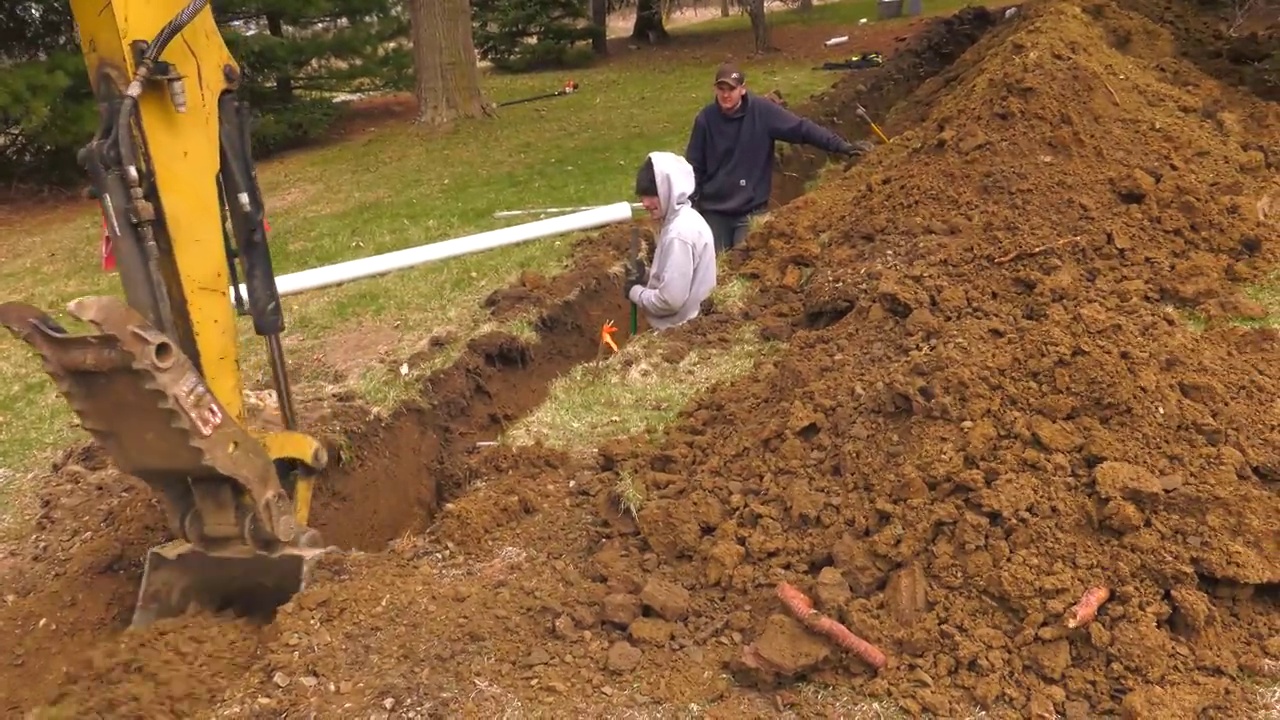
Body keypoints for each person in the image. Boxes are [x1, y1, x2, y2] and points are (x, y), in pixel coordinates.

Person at [685, 61, 874, 253]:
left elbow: (802, 129)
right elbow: (694, 166)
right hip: (715, 211)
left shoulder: (762, 112)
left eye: (731, 89)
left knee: (746, 261)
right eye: (721, 89)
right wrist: (688, 203)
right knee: (712, 267)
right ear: (715, 89)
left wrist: (842, 146)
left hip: (752, 211)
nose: (726, 95)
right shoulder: (705, 120)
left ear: (742, 89)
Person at [624, 151, 717, 331]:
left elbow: (669, 301)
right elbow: (681, 278)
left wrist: (635, 292)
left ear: (669, 189)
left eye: (651, 195)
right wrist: (646, 275)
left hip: (681, 331)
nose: (644, 203)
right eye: (642, 196)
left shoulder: (679, 235)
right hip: (693, 326)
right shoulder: (686, 218)